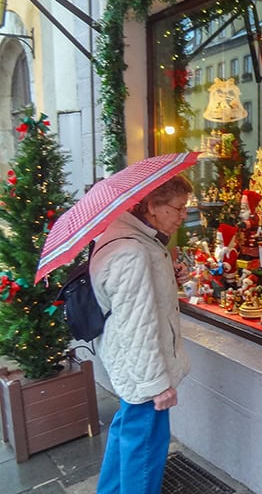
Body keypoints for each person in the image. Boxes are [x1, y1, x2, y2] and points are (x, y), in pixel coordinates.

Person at [90, 174, 193, 494]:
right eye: (177, 208)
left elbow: (139, 298)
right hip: (144, 371)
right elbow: (138, 326)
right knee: (146, 452)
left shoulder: (125, 236)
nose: (182, 216)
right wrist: (157, 386)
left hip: (129, 364)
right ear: (151, 206)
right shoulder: (131, 253)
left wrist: (167, 274)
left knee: (127, 434)